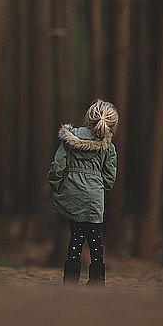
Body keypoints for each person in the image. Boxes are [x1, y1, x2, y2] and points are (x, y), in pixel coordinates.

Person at [47, 99, 118, 285]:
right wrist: (98, 187)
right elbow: (110, 177)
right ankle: (97, 281)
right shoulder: (108, 148)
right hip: (95, 199)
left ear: (89, 117)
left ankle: (70, 281)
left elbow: (57, 167)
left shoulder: (69, 139)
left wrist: (56, 185)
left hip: (72, 196)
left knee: (76, 238)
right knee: (95, 240)